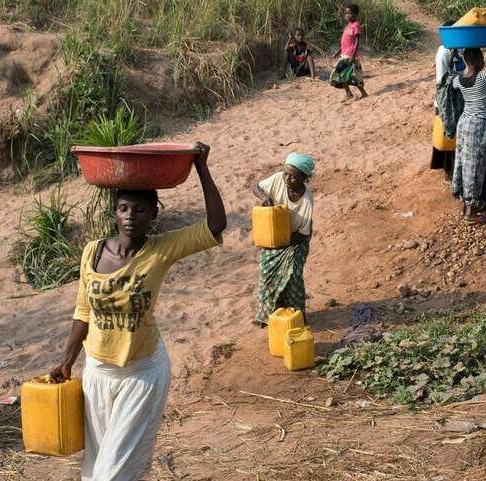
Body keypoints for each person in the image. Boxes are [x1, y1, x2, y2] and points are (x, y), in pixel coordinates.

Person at [50, 143, 226, 481]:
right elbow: (83, 312)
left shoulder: (161, 250)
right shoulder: (92, 252)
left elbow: (216, 224)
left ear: (154, 214)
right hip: (97, 372)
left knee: (112, 474)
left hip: (141, 374)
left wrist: (201, 167)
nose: (131, 216)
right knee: (94, 468)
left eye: (140, 210)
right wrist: (67, 360)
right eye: (124, 209)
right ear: (114, 213)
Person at [452, 25, 486, 224]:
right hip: (478, 125)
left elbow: (451, 71)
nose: (484, 60)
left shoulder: (458, 80)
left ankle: (469, 203)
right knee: (475, 165)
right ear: (476, 59)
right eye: (481, 57)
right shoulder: (482, 78)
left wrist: (453, 51)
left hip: (464, 124)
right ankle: (470, 213)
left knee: (465, 163)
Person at [251, 153, 315, 325]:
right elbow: (255, 186)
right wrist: (264, 197)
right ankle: (267, 316)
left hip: (296, 239)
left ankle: (296, 316)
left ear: (304, 178)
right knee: (267, 273)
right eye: (286, 173)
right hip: (274, 234)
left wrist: (281, 240)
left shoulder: (307, 201)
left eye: (293, 176)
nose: (287, 179)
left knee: (293, 274)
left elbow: (303, 233)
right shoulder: (278, 179)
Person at [433, 27, 465, 182]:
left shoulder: (462, 48)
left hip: (460, 99)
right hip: (446, 101)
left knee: (458, 137)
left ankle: (458, 170)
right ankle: (448, 173)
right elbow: (442, 82)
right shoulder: (443, 52)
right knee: (447, 136)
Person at [330, 4, 369, 102]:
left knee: (349, 75)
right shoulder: (348, 25)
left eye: (349, 13)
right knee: (344, 75)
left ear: (355, 14)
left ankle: (360, 93)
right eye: (346, 13)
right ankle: (349, 93)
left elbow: (357, 42)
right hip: (345, 54)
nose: (347, 15)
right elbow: (345, 42)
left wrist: (353, 56)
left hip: (350, 56)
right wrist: (338, 52)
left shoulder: (356, 25)